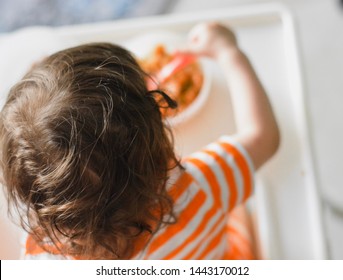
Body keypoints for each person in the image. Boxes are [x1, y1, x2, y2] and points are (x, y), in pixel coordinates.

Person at [0, 22, 279, 260]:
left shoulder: (42, 257)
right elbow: (263, 136)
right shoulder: (203, 186)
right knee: (242, 211)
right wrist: (228, 52)